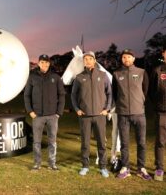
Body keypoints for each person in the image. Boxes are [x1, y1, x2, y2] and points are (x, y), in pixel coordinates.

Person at [71, 51, 112, 178]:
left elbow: (109, 93)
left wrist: (107, 109)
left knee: (101, 143)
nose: (87, 61)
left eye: (90, 58)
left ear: (94, 60)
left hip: (100, 115)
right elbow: (73, 95)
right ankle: (85, 166)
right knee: (85, 143)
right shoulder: (79, 77)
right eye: (85, 59)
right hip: (85, 116)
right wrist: (77, 109)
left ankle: (103, 167)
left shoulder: (103, 75)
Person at [112, 49, 151, 180]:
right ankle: (125, 167)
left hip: (139, 113)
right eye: (124, 57)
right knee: (124, 143)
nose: (126, 59)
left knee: (141, 143)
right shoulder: (116, 74)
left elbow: (145, 91)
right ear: (122, 59)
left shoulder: (141, 72)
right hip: (123, 114)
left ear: (133, 59)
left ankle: (141, 168)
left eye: (129, 57)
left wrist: (138, 102)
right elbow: (114, 93)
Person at [24, 54, 65, 171]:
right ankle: (37, 164)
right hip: (37, 116)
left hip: (52, 115)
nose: (44, 64)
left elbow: (62, 95)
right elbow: (26, 95)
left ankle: (52, 164)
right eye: (42, 62)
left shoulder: (55, 77)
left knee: (52, 141)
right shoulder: (32, 77)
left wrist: (58, 113)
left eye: (46, 62)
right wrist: (30, 111)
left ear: (49, 63)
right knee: (37, 142)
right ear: (38, 63)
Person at [149, 47, 166, 181]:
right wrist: (158, 105)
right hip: (161, 112)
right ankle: (159, 168)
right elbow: (151, 91)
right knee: (160, 141)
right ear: (163, 54)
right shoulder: (157, 70)